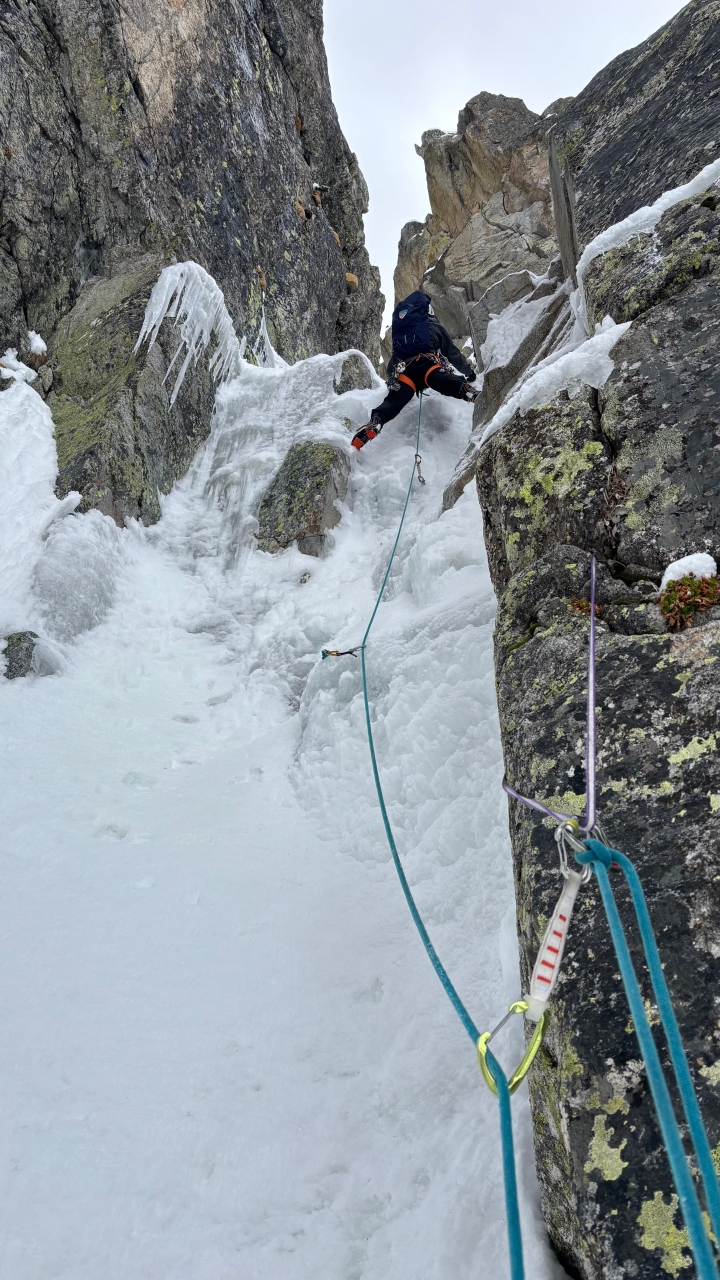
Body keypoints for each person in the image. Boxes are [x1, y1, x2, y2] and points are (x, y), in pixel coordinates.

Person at [351, 291, 478, 450]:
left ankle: (377, 421)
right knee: (441, 379)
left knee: (394, 401)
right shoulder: (434, 327)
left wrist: (392, 383)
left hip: (405, 372)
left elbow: (392, 366)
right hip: (427, 366)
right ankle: (466, 390)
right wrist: (469, 373)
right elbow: (453, 354)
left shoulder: (403, 334)